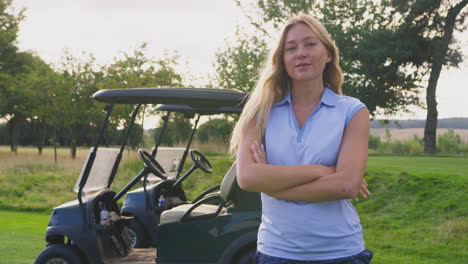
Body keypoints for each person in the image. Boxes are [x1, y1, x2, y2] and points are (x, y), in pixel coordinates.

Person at [229, 14, 373, 264]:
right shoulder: (260, 112)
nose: (300, 53)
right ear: (282, 60)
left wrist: (272, 182)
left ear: (328, 53)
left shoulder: (353, 111)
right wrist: (322, 171)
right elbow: (248, 178)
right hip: (277, 252)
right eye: (291, 48)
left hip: (340, 253)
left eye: (310, 44)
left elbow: (345, 186)